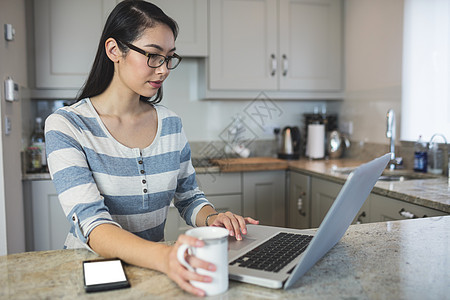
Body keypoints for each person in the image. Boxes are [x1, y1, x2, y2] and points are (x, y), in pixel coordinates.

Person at [44, 0, 258, 296]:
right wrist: (165, 257)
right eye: (154, 56)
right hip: (96, 271)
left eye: (170, 57)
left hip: (157, 270)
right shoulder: (67, 126)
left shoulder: (170, 123)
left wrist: (212, 218)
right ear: (114, 50)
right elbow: (93, 225)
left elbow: (189, 197)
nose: (165, 69)